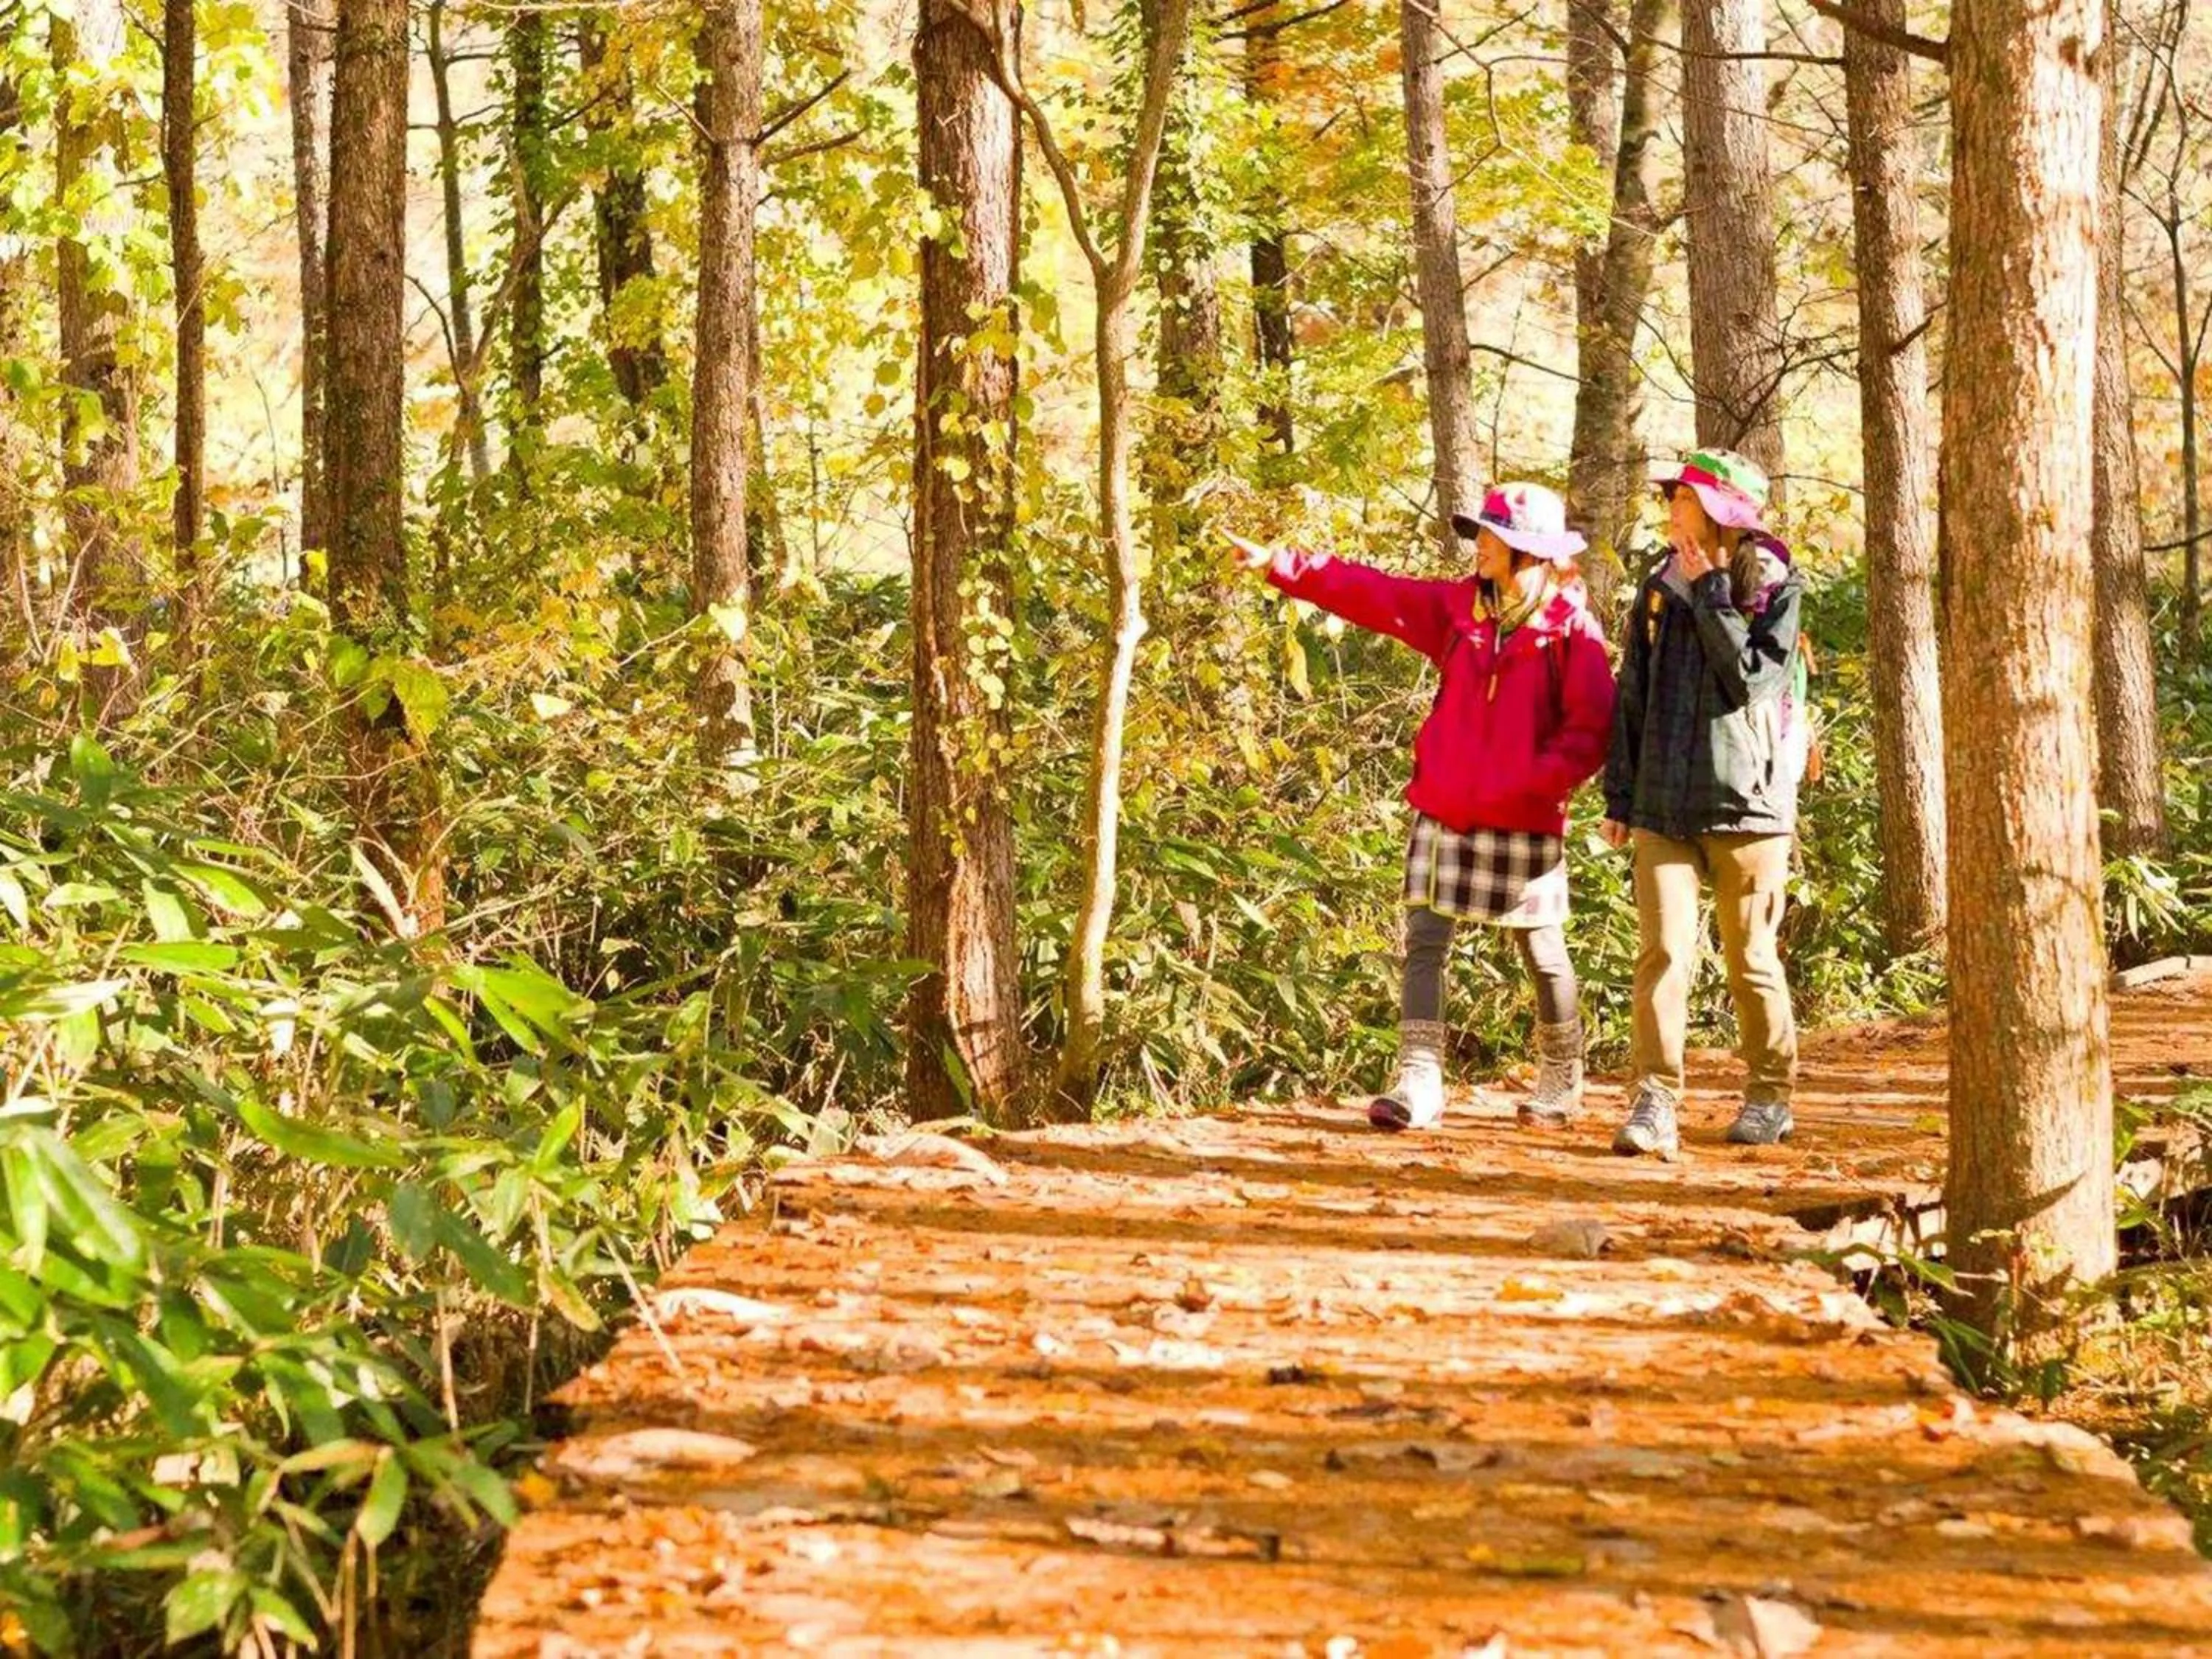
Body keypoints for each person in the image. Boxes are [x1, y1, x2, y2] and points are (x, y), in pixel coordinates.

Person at [1228, 484, 1617, 1131]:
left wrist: (1534, 784)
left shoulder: (1571, 631)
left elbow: (1589, 732)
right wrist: (1280, 564)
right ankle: (1420, 1079)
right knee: (1425, 944)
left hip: (1523, 814)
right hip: (1445, 805)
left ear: (1528, 553)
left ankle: (1562, 1074)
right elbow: (1375, 593)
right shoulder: (1459, 610)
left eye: (1493, 535)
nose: (1480, 544)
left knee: (1542, 949)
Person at [1601, 448, 1806, 1160]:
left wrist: (1714, 590)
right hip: (1663, 803)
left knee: (1749, 957)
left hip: (1747, 806)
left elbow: (1751, 680)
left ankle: (1770, 1095)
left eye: (1682, 498)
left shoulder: (1774, 584)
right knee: (1662, 952)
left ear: (1720, 511)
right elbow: (1634, 692)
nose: (1670, 510)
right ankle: (1655, 1100)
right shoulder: (1658, 588)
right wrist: (1622, 795)